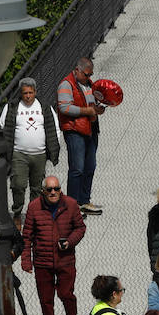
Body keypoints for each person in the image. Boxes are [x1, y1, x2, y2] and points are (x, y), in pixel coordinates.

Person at [21, 176, 85, 315]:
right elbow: (26, 236)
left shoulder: (71, 205)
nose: (53, 192)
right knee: (46, 300)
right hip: (43, 262)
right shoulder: (34, 207)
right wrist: (26, 261)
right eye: (49, 189)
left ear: (60, 189)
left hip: (65, 261)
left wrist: (69, 241)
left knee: (66, 295)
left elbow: (80, 228)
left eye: (56, 188)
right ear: (43, 191)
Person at [1, 77, 61, 224]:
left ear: (35, 92)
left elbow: (55, 128)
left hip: (39, 154)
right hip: (18, 154)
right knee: (18, 184)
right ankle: (17, 212)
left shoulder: (44, 107)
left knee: (37, 187)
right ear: (21, 93)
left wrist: (53, 149)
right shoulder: (12, 107)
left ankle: (33, 215)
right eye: (25, 93)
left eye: (30, 92)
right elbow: (3, 126)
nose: (28, 96)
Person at [56, 56, 104, 214]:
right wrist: (87, 111)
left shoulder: (89, 85)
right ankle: (72, 205)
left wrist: (98, 109)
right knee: (77, 168)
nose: (89, 77)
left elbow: (93, 104)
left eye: (91, 74)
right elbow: (64, 107)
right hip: (75, 130)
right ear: (77, 70)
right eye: (86, 74)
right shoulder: (66, 84)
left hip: (91, 129)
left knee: (90, 166)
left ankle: (84, 201)